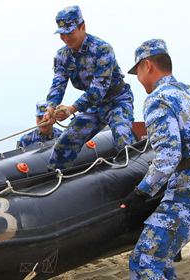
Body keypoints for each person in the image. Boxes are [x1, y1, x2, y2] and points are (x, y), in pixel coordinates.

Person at [120, 38, 190, 279]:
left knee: (145, 260)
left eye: (137, 71)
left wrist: (141, 193)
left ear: (147, 65)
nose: (138, 79)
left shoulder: (158, 99)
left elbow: (169, 155)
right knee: (162, 257)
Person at [41, 5, 136, 171]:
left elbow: (99, 89)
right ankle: (55, 184)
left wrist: (72, 108)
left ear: (82, 27)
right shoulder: (62, 56)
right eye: (62, 34)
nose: (65, 38)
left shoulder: (102, 49)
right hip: (93, 107)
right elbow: (58, 84)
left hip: (117, 101)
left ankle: (138, 179)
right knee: (63, 145)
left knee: (122, 139)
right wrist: (50, 108)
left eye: (70, 32)